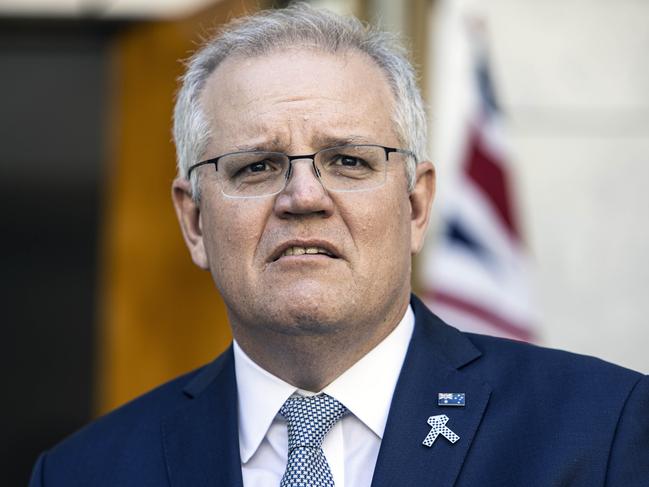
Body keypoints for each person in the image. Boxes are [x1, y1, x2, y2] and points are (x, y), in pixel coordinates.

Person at [30, 4, 648, 486]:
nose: (304, 196)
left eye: (348, 161)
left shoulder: (603, 431)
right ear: (195, 222)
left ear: (415, 204)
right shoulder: (84, 473)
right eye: (256, 167)